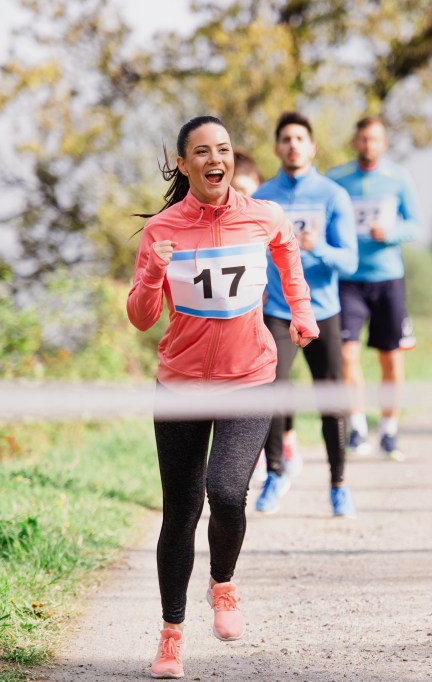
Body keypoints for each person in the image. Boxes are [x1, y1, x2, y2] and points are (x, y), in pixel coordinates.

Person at [127, 115, 318, 678]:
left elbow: (288, 254)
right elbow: (141, 318)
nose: (217, 160)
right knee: (181, 512)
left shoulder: (264, 216)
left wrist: (301, 311)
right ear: (183, 165)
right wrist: (151, 275)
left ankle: (223, 583)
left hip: (249, 377)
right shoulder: (162, 229)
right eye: (203, 152)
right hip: (181, 386)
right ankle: (171, 636)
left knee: (228, 492)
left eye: (225, 150)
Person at [252, 111, 359, 516]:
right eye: (286, 139)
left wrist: (319, 247)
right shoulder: (263, 197)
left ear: (312, 147)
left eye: (300, 138)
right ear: (276, 148)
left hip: (322, 311)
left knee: (331, 399)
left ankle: (339, 485)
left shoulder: (333, 195)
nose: (293, 145)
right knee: (272, 390)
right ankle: (275, 474)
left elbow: (349, 261)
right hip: (278, 310)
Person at [328, 116, 421, 461]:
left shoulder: (398, 177)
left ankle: (389, 430)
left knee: (391, 358)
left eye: (375, 139)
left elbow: (415, 224)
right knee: (346, 355)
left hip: (387, 278)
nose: (369, 145)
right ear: (355, 142)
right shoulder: (337, 179)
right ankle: (357, 427)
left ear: (384, 143)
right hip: (349, 279)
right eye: (364, 139)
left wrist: (391, 233)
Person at [232, 147, 306, 481]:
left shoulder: (267, 215)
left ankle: (287, 438)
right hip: (241, 316)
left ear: (257, 185)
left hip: (275, 310)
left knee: (278, 378)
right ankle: (259, 451)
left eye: (243, 189)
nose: (238, 196)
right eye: (233, 189)